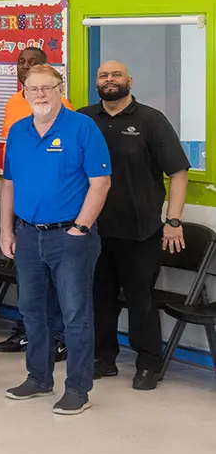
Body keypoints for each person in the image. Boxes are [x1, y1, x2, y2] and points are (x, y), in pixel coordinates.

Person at [0, 65, 111, 415]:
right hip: (28, 236)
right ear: (24, 93)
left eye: (49, 87)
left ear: (60, 88)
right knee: (33, 311)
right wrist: (6, 229)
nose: (42, 95)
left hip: (71, 237)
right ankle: (38, 378)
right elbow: (8, 184)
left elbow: (101, 183)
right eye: (34, 89)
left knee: (75, 314)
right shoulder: (18, 132)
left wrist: (81, 227)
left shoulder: (82, 127)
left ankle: (78, 388)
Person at [81, 60, 189, 390]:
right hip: (95, 229)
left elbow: (179, 172)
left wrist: (173, 221)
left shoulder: (150, 120)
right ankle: (104, 358)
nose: (109, 80)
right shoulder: (84, 119)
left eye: (116, 75)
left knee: (141, 300)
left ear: (129, 80)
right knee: (99, 298)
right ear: (96, 82)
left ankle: (148, 363)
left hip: (141, 231)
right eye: (103, 76)